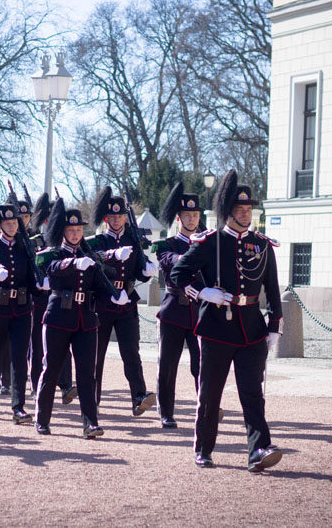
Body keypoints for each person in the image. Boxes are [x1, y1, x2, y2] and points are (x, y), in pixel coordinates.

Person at [171, 170, 283, 472]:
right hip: (217, 329)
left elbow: (272, 289)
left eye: (249, 210)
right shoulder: (209, 241)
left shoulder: (261, 245)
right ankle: (204, 449)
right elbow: (177, 274)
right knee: (210, 393)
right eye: (240, 210)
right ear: (228, 212)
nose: (247, 215)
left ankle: (258, 450)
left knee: (253, 394)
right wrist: (202, 292)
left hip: (251, 329)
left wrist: (275, 327)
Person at [34, 198, 124, 439]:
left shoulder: (91, 255)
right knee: (51, 369)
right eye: (70, 230)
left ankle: (90, 423)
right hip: (58, 318)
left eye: (78, 230)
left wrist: (115, 295)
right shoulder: (52, 253)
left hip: (86, 320)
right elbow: (52, 269)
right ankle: (42, 418)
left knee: (87, 374)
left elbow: (98, 285)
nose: (75, 234)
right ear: (62, 232)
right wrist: (74, 262)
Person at [85, 186, 156, 416]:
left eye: (120, 216)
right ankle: (92, 400)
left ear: (125, 218)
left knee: (131, 353)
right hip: (102, 303)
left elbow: (138, 272)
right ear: (106, 218)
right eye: (112, 216)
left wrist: (147, 271)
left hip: (127, 302)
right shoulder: (96, 242)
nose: (116, 220)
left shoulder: (133, 241)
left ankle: (138, 396)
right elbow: (92, 265)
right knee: (96, 354)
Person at [152, 182, 215, 429]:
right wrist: (196, 254)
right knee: (168, 365)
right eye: (187, 215)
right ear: (178, 218)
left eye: (195, 215)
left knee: (203, 364)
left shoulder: (207, 243)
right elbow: (171, 262)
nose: (192, 220)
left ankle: (206, 406)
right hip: (173, 312)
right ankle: (166, 411)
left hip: (199, 312)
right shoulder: (167, 244)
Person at [0, 194, 38, 424]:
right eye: (8, 223)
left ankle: (18, 406)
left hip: (22, 308)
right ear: (0, 225)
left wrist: (41, 285)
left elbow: (32, 277)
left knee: (20, 358)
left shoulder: (25, 246)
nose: (12, 226)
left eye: (15, 222)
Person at [26, 192, 77, 404]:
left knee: (65, 344)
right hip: (39, 299)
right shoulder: (35, 241)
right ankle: (38, 384)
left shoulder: (65, 245)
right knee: (38, 345)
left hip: (62, 299)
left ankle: (66, 385)